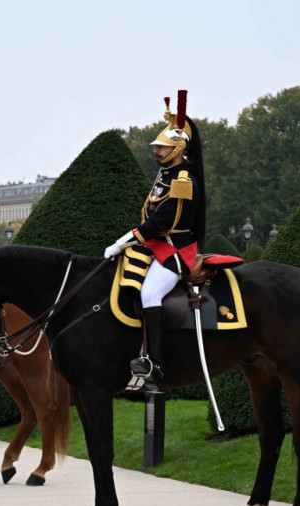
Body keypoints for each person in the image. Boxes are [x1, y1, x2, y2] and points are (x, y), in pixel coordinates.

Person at [103, 90, 206, 387]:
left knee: (150, 294)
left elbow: (164, 222)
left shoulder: (183, 182)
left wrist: (123, 241)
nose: (156, 152)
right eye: (158, 147)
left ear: (177, 150)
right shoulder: (165, 176)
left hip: (175, 250)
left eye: (162, 148)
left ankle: (155, 362)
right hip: (157, 245)